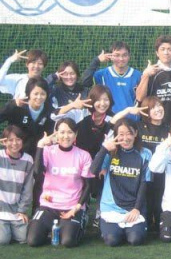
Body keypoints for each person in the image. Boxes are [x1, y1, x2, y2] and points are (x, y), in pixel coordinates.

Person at [26, 119, 92, 247]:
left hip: (71, 206)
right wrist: (40, 146)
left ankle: (79, 221)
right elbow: (37, 172)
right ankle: (53, 226)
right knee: (33, 241)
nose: (66, 136)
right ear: (56, 133)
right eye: (62, 132)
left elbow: (88, 185)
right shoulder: (48, 151)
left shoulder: (84, 155)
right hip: (48, 205)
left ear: (76, 134)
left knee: (68, 241)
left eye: (70, 132)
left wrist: (76, 208)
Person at [91, 118, 151, 246]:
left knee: (135, 239)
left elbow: (144, 183)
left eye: (129, 133)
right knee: (112, 240)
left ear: (135, 133)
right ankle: (115, 230)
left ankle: (130, 230)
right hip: (111, 208)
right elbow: (93, 171)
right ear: (116, 135)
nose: (125, 138)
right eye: (121, 134)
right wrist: (104, 149)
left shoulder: (145, 154)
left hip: (133, 208)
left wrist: (136, 209)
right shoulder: (110, 152)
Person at [112, 96, 169, 232]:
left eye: (159, 105)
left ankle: (159, 223)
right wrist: (128, 110)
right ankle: (145, 223)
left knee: (159, 202)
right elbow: (113, 123)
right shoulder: (138, 127)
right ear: (146, 111)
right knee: (145, 201)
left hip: (161, 173)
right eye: (153, 107)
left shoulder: (168, 129)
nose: (158, 109)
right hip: (140, 173)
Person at [75, 84, 114, 227]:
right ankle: (82, 210)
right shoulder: (82, 114)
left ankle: (99, 214)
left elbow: (110, 146)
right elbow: (55, 116)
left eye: (106, 100)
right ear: (92, 100)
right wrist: (72, 106)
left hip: (101, 160)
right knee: (80, 183)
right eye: (98, 100)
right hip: (81, 159)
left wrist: (105, 166)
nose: (102, 103)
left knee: (103, 178)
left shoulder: (112, 119)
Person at [80, 41, 142, 117]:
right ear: (111, 56)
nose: (121, 58)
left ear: (129, 56)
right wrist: (97, 60)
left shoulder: (138, 75)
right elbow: (85, 82)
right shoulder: (101, 75)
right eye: (117, 55)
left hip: (132, 120)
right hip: (109, 120)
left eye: (124, 55)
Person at [135, 35, 171, 124]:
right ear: (157, 53)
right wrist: (146, 75)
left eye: (169, 49)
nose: (166, 52)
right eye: (162, 49)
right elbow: (139, 98)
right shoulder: (150, 72)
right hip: (153, 124)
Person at [0, 77, 54, 158]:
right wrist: (12, 105)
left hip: (37, 155)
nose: (39, 97)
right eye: (35, 94)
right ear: (28, 93)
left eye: (43, 94)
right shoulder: (17, 106)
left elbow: (51, 133)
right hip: (15, 153)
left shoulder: (49, 110)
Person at [0, 126, 35, 245]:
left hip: (16, 211)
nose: (14, 143)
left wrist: (22, 210)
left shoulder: (28, 160)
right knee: (3, 240)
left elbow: (28, 188)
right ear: (4, 142)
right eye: (10, 140)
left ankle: (10, 229)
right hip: (1, 210)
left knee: (24, 238)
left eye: (18, 139)